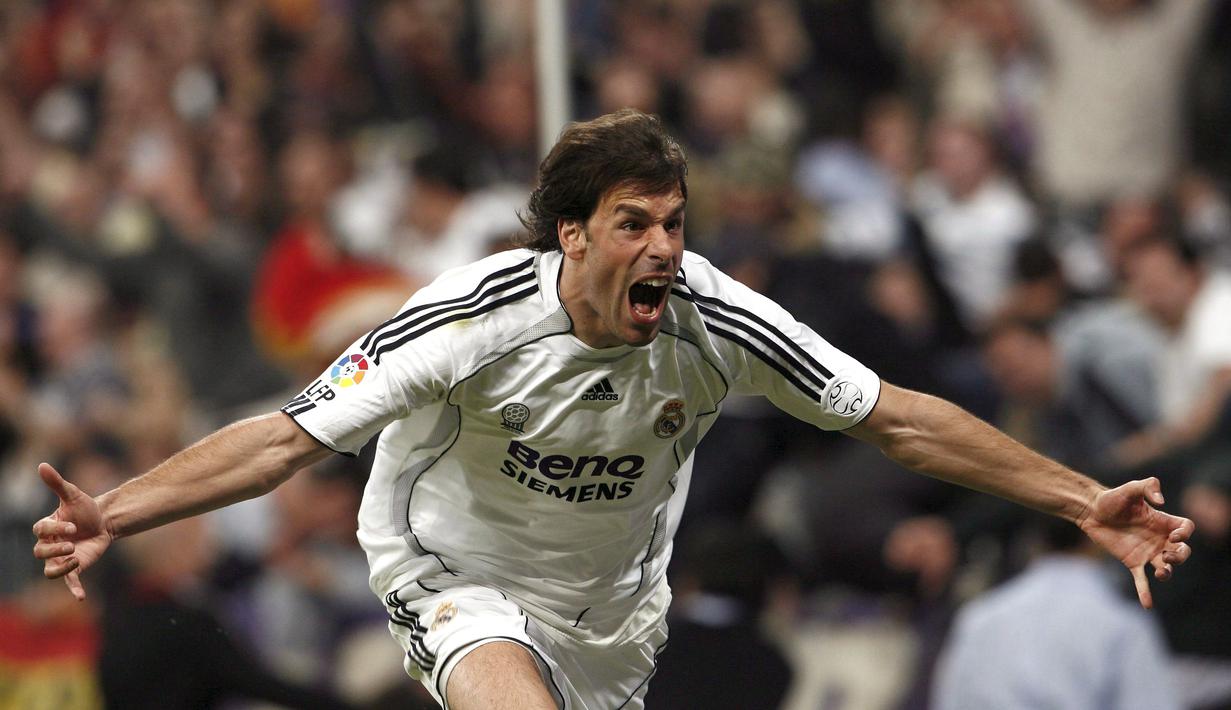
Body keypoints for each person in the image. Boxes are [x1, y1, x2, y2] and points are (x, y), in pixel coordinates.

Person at [32, 110, 1193, 710]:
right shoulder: (471, 314)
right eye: (635, 221)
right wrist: (117, 513)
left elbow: (894, 417)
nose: (665, 247)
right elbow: (287, 434)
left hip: (611, 615)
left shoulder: (716, 318)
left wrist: (1080, 494)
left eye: (677, 220)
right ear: (572, 235)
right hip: (449, 570)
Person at [931, 514, 1179, 710]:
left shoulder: (980, 615)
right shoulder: (1122, 624)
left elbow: (950, 702)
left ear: (1035, 540)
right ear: (1101, 540)